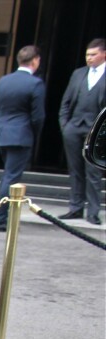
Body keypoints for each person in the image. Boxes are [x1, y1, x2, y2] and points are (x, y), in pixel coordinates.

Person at [0, 45, 46, 231]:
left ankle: (2, 217)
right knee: (11, 178)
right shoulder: (35, 84)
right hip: (21, 134)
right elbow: (38, 116)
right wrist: (34, 133)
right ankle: (1, 220)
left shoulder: (3, 81)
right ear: (34, 61)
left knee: (7, 176)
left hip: (3, 133)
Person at [58, 38, 106, 225]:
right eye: (87, 54)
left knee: (93, 172)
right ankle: (75, 207)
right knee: (75, 170)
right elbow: (66, 102)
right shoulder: (78, 74)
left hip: (96, 132)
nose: (89, 58)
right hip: (74, 128)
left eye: (93, 54)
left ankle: (93, 212)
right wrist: (65, 127)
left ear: (104, 54)